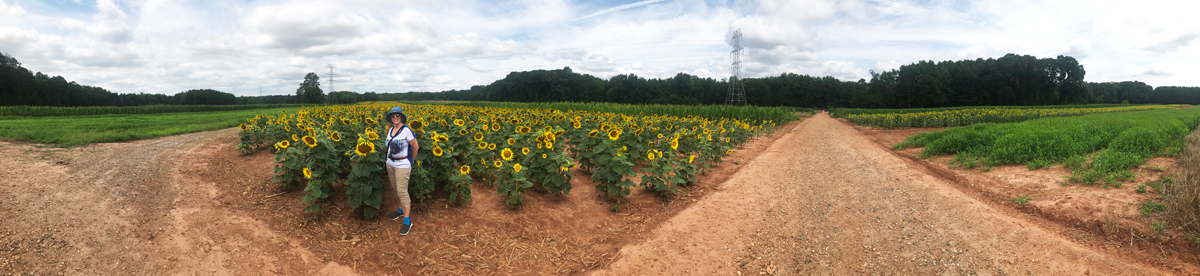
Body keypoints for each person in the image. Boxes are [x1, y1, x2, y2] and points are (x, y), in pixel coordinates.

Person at [384, 106, 418, 235]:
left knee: (402, 191)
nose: (395, 117)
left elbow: (415, 147)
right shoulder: (390, 130)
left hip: (403, 164)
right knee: (394, 189)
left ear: (401, 116)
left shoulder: (406, 130)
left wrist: (411, 161)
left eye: (397, 115)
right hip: (390, 164)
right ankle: (399, 210)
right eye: (393, 116)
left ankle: (407, 221)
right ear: (391, 118)